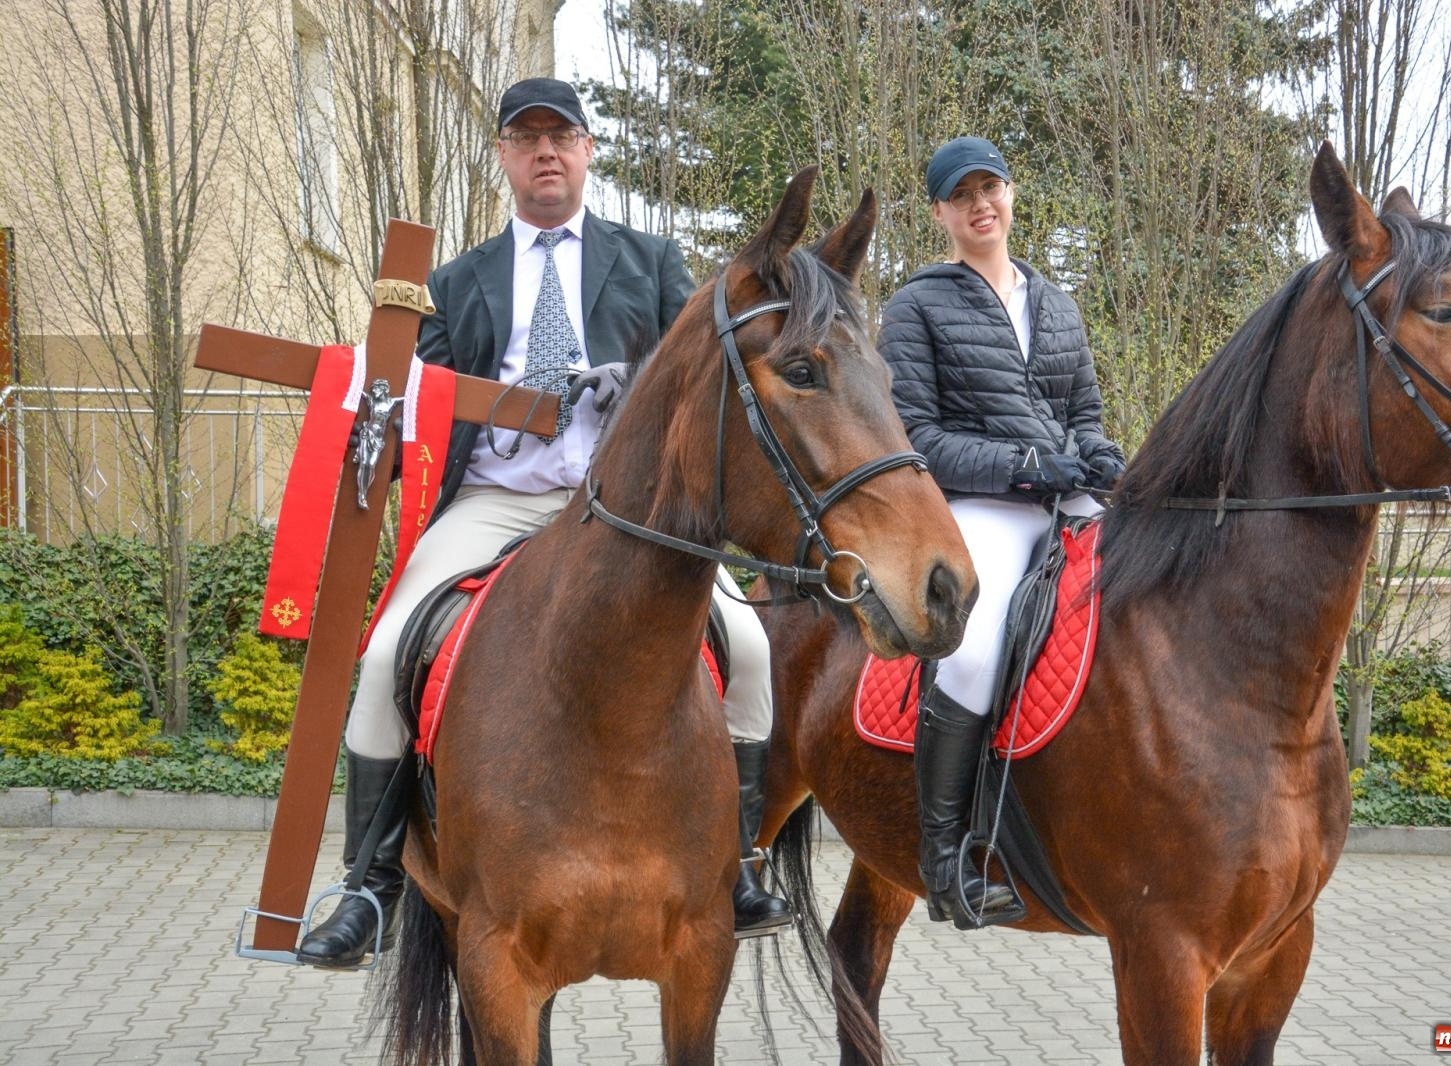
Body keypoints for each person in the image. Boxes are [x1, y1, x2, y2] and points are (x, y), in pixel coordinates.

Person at [296, 77, 790, 967]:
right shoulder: (455, 281)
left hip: (621, 512)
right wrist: (380, 409)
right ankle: (369, 883)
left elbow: (696, 384)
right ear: (503, 156)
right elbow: (421, 415)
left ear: (588, 149)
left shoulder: (650, 261)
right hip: (498, 500)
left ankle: (741, 863)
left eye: (561, 135)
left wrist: (630, 386)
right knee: (382, 655)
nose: (546, 152)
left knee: (749, 648)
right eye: (526, 138)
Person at [880, 136, 1125, 928]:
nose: (981, 204)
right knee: (976, 648)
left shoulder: (1056, 303)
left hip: (1069, 496)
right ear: (941, 213)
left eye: (992, 188)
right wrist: (1025, 467)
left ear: (1011, 196)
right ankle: (945, 854)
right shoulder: (917, 304)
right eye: (963, 195)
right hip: (982, 507)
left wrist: (1100, 457)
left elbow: (1082, 414)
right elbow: (918, 436)